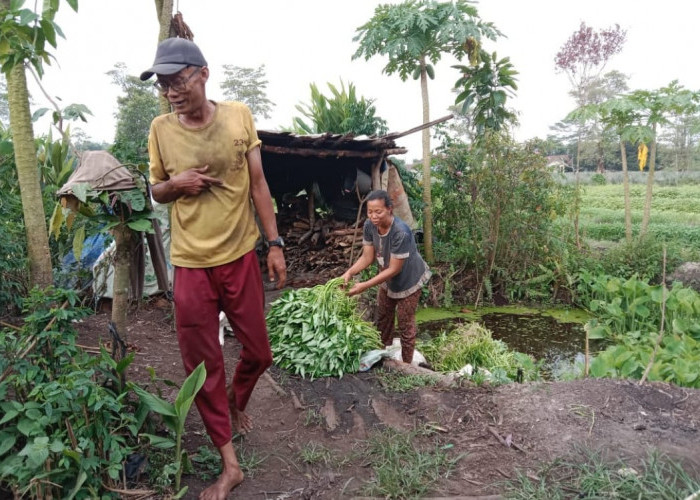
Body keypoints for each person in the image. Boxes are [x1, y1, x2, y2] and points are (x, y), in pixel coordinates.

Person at [140, 37, 286, 500]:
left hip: (240, 254)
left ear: (203, 73)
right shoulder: (161, 129)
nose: (170, 92)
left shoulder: (239, 116)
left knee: (260, 352)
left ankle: (235, 402)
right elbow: (156, 191)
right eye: (163, 84)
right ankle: (230, 464)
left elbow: (258, 184)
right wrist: (174, 185)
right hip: (190, 264)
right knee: (201, 364)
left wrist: (275, 243)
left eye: (178, 80)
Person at [341, 190, 431, 363]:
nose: (373, 216)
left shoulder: (400, 232)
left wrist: (363, 286)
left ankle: (406, 366)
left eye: (378, 211)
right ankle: (381, 356)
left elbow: (394, 269)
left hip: (409, 280)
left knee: (405, 323)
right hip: (387, 279)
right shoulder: (369, 225)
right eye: (370, 212)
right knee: (383, 317)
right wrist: (349, 273)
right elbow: (367, 257)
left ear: (390, 209)